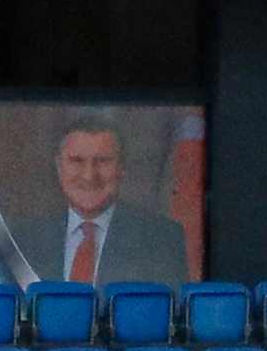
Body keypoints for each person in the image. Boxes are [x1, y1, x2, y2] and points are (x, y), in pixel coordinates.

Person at [42, 115, 191, 289]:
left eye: (103, 161)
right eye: (77, 161)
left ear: (121, 168)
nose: (89, 176)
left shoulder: (161, 239)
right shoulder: (24, 239)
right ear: (59, 166)